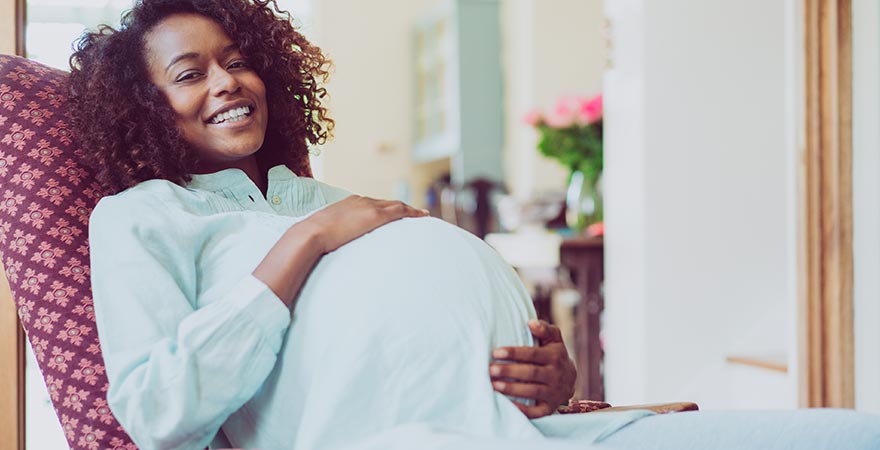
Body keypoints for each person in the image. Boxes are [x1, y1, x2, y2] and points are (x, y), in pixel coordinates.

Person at [69, 1, 880, 450]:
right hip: (402, 441)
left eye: (237, 58)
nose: (227, 80)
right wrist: (303, 245)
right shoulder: (142, 219)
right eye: (190, 73)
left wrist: (550, 381)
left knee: (858, 432)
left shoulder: (320, 198)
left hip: (533, 432)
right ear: (147, 108)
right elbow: (157, 413)